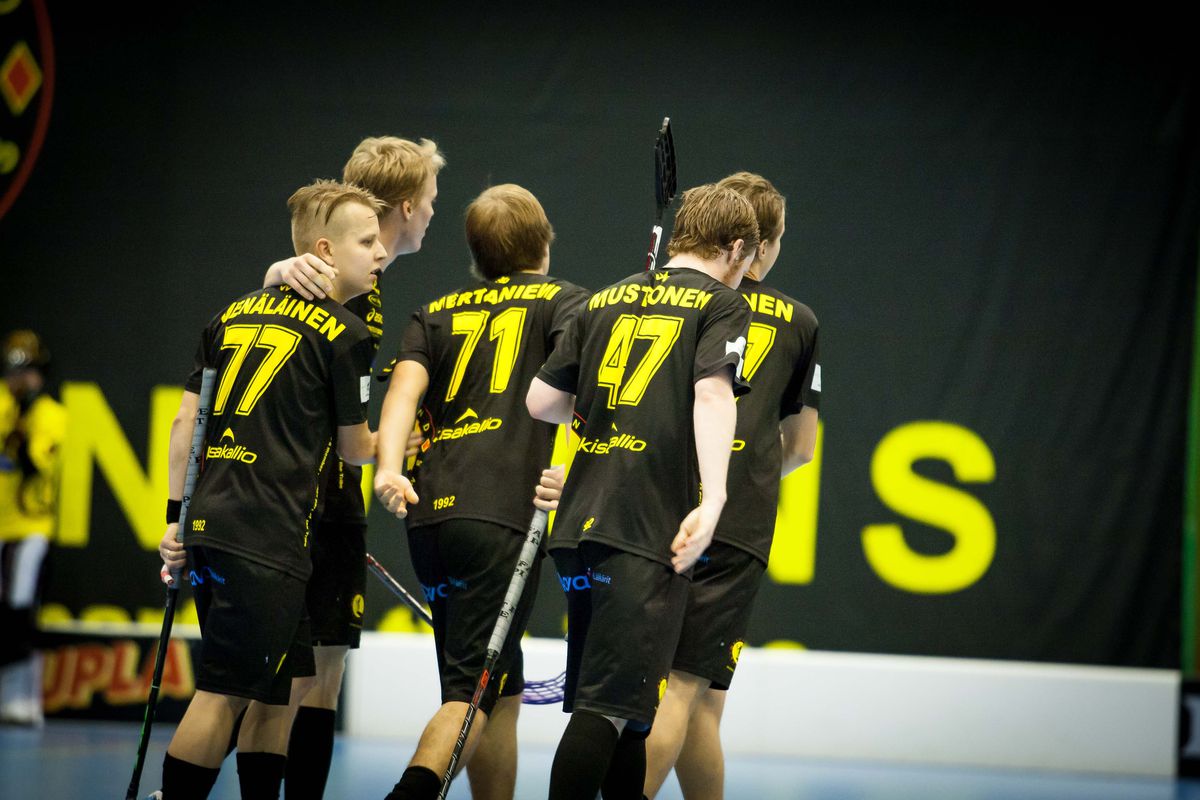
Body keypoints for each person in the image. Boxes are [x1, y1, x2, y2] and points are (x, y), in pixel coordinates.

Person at [526, 183, 758, 800]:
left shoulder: (604, 297)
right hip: (642, 527)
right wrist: (714, 499)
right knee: (604, 710)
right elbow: (713, 394)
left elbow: (541, 400)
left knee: (632, 715)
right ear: (737, 248)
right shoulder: (723, 305)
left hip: (579, 526)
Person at [155, 179, 383, 800]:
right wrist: (407, 441)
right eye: (367, 242)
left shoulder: (228, 315)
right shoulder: (346, 334)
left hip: (215, 526)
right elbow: (356, 448)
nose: (381, 253)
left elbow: (184, 424)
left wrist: (176, 517)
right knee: (223, 694)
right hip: (266, 535)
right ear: (324, 251)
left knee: (278, 688)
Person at [373, 183, 588, 800]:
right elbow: (593, 388)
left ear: (476, 255)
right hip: (501, 518)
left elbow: (403, 394)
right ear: (544, 243)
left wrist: (387, 468)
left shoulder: (433, 312)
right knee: (469, 693)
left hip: (429, 517)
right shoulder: (567, 302)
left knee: (501, 687)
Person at [261, 135, 446, 800]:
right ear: (407, 206)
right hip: (310, 504)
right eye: (430, 200)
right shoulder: (337, 282)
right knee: (293, 677)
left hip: (326, 499)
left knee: (321, 671)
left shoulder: (365, 282)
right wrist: (397, 442)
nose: (433, 212)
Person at [643, 172, 821, 800]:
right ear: (760, 245)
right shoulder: (799, 322)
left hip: (655, 502)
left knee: (686, 699)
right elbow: (801, 447)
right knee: (687, 692)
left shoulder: (668, 295)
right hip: (736, 522)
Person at [0, 330, 66, 727]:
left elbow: (33, 465)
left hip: (29, 525)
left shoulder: (51, 415)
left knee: (21, 610)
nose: (19, 381)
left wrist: (24, 418)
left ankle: (23, 698)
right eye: (14, 373)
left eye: (27, 373)